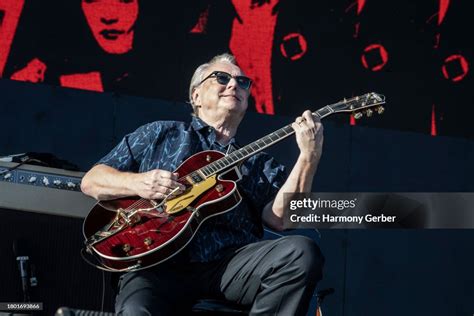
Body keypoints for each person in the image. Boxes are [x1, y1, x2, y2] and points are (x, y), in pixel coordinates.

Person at [81, 53, 324, 315]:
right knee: (136, 311)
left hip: (227, 267)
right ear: (196, 96)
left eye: (242, 82)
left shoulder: (258, 163)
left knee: (301, 252)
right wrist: (139, 183)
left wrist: (308, 157)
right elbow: (91, 181)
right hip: (156, 264)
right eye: (222, 77)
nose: (234, 85)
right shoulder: (160, 134)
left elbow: (282, 220)